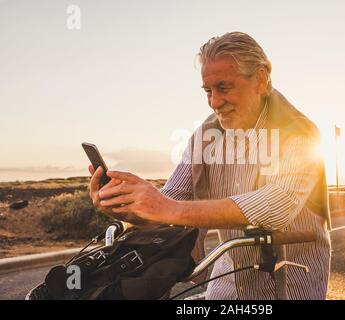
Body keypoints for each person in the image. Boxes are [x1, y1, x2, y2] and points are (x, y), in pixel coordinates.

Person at [88, 32, 331, 300]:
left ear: (261, 79)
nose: (214, 102)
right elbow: (170, 205)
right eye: (208, 91)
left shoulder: (300, 132)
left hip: (292, 284)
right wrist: (127, 206)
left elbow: (276, 205)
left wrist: (167, 208)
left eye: (224, 88)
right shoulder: (205, 137)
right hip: (229, 283)